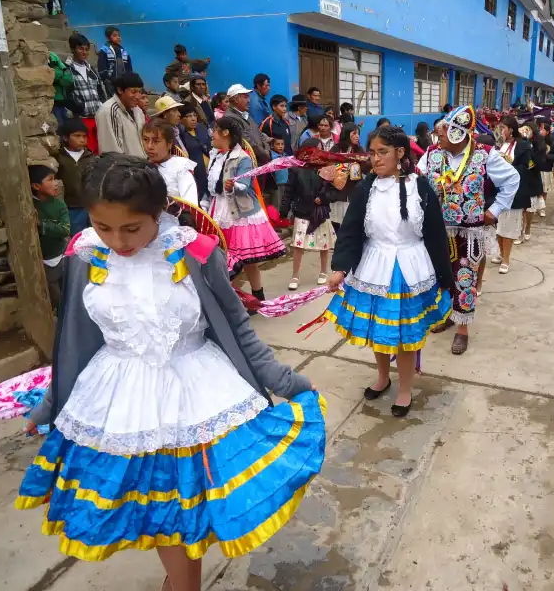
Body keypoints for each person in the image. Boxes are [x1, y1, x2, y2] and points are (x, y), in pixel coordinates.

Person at [16, 152, 325, 591]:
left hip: (196, 396)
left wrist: (284, 380)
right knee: (160, 513)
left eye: (131, 228)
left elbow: (237, 327)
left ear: (157, 212)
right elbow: (76, 341)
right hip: (119, 402)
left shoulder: (196, 254)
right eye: (104, 227)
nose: (117, 240)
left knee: (185, 514)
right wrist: (50, 405)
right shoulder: (86, 256)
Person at [324, 126, 453, 416]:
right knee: (380, 331)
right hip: (374, 268)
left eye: (382, 152)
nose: (376, 159)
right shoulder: (366, 188)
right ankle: (383, 377)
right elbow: (351, 229)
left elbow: (434, 233)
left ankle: (405, 389)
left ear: (400, 153)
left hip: (410, 270)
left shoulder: (419, 187)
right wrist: (341, 268)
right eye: (372, 153)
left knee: (406, 336)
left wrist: (445, 277)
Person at [417, 106, 520, 355]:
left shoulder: (484, 155)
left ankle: (462, 331)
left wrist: (494, 210)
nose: (438, 135)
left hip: (469, 231)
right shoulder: (431, 155)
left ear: (458, 134)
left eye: (444, 131)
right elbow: (417, 182)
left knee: (465, 279)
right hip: (437, 230)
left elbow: (512, 179)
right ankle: (448, 316)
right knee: (440, 278)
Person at [204, 116, 286, 296]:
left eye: (215, 131)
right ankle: (232, 297)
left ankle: (256, 296)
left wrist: (233, 185)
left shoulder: (242, 158)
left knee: (247, 260)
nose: (211, 135)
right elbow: (211, 186)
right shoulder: (215, 155)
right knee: (223, 257)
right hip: (218, 208)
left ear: (225, 133)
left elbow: (245, 185)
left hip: (239, 212)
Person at [280, 138, 336, 291]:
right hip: (302, 211)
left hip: (321, 212)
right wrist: (283, 211)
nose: (320, 151)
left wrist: (323, 198)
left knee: (324, 245)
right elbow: (288, 191)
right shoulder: (296, 168)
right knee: (298, 245)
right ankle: (295, 276)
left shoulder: (327, 167)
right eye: (317, 148)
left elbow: (333, 190)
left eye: (321, 148)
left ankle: (323, 272)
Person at [490, 116, 534, 273]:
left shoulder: (523, 146)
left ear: (511, 129)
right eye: (500, 128)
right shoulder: (499, 145)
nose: (501, 131)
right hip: (498, 192)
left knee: (508, 228)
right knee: (499, 227)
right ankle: (501, 254)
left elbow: (526, 168)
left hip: (514, 192)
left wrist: (508, 166)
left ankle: (506, 260)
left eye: (503, 128)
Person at [28, 165, 69, 310]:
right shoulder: (29, 206)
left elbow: (65, 229)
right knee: (55, 297)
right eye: (50, 180)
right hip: (44, 261)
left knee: (67, 291)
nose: (56, 183)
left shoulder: (59, 204)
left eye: (55, 179)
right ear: (36, 186)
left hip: (61, 255)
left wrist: (42, 225)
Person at [52, 118, 96, 235]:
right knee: (77, 237)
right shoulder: (59, 158)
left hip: (90, 205)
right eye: (77, 136)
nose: (82, 140)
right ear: (66, 137)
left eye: (84, 136)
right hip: (71, 207)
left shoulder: (92, 158)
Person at [142, 119, 199, 205]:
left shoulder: (180, 168)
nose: (149, 146)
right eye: (146, 140)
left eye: (156, 141)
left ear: (169, 144)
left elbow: (190, 206)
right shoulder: (141, 167)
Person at [65, 33, 106, 154]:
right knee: (86, 152)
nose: (84, 52)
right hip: (81, 119)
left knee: (100, 151)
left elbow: (100, 91)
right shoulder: (67, 69)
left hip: (97, 118)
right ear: (72, 49)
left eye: (86, 49)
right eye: (80, 49)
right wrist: (80, 107)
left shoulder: (91, 69)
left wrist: (101, 104)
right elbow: (68, 94)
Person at [326, 122, 367, 234]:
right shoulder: (336, 149)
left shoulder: (359, 150)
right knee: (337, 221)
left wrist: (358, 163)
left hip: (354, 191)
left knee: (352, 222)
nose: (357, 136)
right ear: (347, 134)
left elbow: (366, 168)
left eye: (358, 133)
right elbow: (328, 167)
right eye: (354, 133)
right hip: (339, 192)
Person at [95, 72, 146, 159]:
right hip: (125, 169)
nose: (138, 96)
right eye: (133, 92)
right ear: (120, 90)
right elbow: (111, 152)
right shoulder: (108, 111)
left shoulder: (137, 110)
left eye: (139, 92)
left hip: (141, 167)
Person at [225, 84, 272, 164]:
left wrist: (267, 150)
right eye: (245, 97)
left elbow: (259, 134)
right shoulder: (230, 118)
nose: (249, 100)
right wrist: (266, 155)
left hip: (260, 159)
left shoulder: (246, 114)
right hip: (250, 162)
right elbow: (248, 143)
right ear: (236, 99)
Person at [178, 104, 212, 202]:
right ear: (181, 119)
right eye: (189, 116)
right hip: (197, 174)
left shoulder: (201, 128)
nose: (193, 119)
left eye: (194, 115)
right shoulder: (180, 135)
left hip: (210, 170)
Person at [96, 26, 132, 97]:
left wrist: (129, 78)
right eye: (115, 35)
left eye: (119, 35)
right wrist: (106, 79)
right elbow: (101, 66)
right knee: (113, 99)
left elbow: (128, 67)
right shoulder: (104, 50)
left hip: (123, 82)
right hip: (110, 82)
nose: (118, 37)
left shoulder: (124, 52)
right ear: (108, 37)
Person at [49, 51, 74, 127]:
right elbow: (55, 76)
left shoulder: (60, 65)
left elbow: (68, 80)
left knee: (66, 127)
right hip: (54, 105)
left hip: (63, 103)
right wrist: (60, 75)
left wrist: (60, 75)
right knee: (59, 128)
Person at [269, 135, 290, 211]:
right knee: (276, 205)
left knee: (284, 204)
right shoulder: (271, 157)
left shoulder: (285, 156)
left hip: (286, 184)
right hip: (276, 185)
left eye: (282, 144)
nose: (280, 146)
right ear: (272, 145)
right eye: (278, 144)